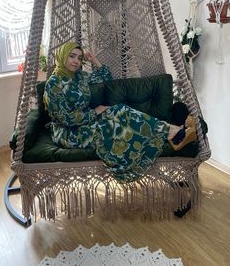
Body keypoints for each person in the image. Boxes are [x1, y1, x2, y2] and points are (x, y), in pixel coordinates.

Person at [43, 42, 196, 182]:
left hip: (86, 122)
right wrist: (95, 111)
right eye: (72, 56)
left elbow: (106, 77)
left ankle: (172, 132)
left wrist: (94, 60)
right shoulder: (54, 83)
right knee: (114, 124)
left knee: (120, 110)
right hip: (69, 132)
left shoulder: (80, 77)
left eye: (79, 57)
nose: (76, 61)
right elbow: (66, 119)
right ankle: (175, 132)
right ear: (62, 55)